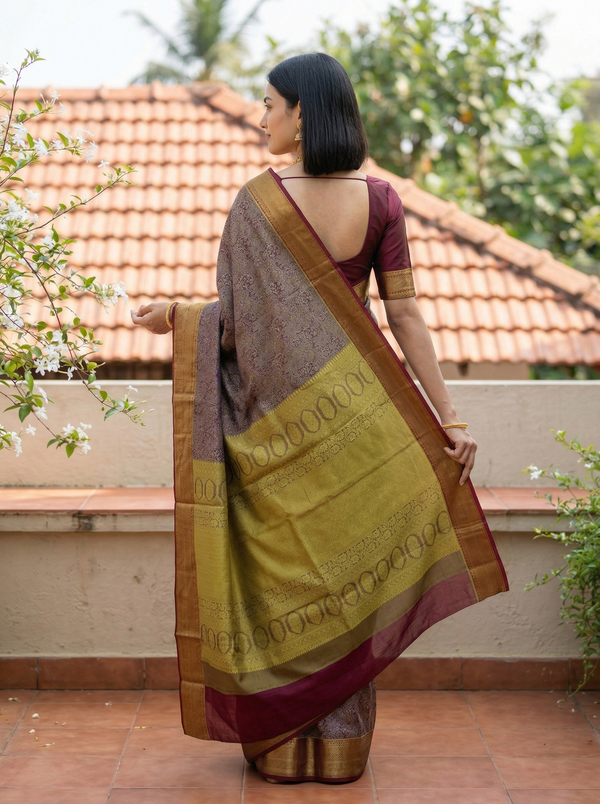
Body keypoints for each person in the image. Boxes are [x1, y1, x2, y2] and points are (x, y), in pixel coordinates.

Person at [131, 53, 508, 785]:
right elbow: (406, 315)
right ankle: (342, 749)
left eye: (269, 104)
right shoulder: (381, 200)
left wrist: (174, 317)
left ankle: (281, 747)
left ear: (302, 111)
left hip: (274, 435)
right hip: (365, 428)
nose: (261, 118)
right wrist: (450, 419)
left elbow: (238, 326)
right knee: (350, 588)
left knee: (290, 591)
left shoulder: (256, 203)